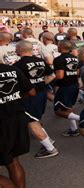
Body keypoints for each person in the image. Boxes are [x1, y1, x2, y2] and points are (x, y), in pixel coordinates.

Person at [14, 41, 58, 159]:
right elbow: (52, 76)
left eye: (16, 48)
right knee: (35, 118)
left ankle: (50, 148)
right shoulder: (40, 61)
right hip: (41, 94)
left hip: (29, 96)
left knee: (31, 121)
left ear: (20, 49)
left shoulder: (18, 65)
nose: (15, 50)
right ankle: (48, 139)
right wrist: (41, 85)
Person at [0, 52, 36, 188]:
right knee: (13, 160)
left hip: (2, 121)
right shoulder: (13, 70)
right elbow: (32, 92)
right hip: (17, 117)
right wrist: (14, 99)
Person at [52, 41, 82, 137]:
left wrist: (52, 80)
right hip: (74, 85)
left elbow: (60, 76)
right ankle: (74, 129)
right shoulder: (75, 58)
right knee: (68, 107)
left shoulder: (58, 59)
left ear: (60, 47)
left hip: (65, 86)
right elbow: (77, 73)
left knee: (58, 110)